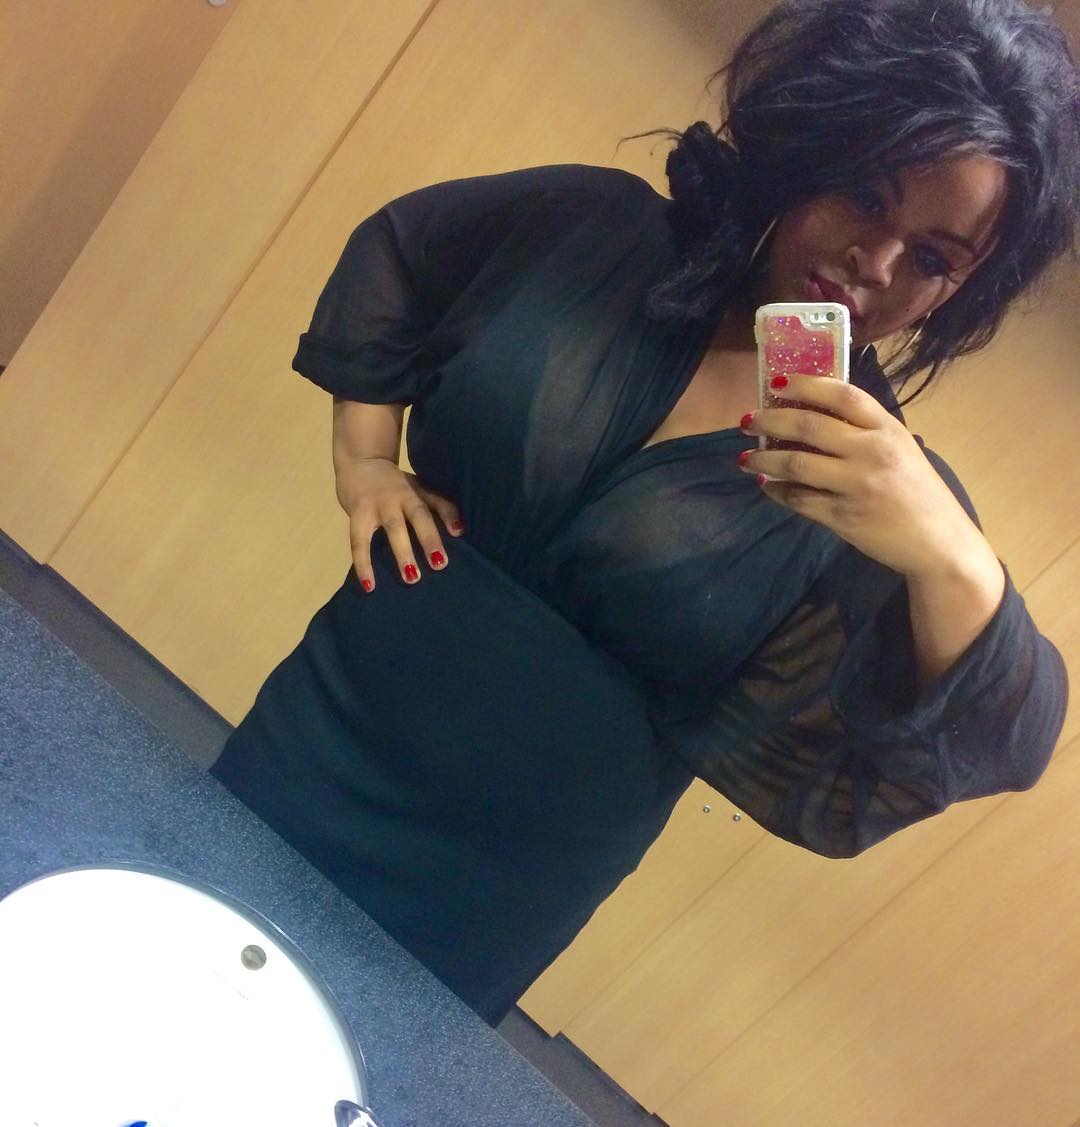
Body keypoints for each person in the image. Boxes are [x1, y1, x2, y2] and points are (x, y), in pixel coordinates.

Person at [211, 0, 1077, 1027]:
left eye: (932, 258)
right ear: (805, 141)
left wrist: (952, 558)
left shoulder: (876, 482)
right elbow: (405, 252)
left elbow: (1008, 733)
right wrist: (365, 465)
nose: (877, 264)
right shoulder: (596, 228)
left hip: (502, 878)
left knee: (346, 1056)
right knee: (166, 942)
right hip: (330, 719)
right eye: (860, 193)